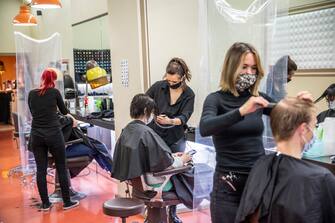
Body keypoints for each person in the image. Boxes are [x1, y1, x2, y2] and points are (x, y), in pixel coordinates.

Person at [199, 42, 276, 223]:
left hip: (257, 181)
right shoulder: (215, 99)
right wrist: (241, 111)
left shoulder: (258, 98)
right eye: (244, 67)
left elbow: (284, 112)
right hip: (228, 185)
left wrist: (299, 104)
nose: (250, 73)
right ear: (232, 67)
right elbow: (205, 127)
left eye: (254, 68)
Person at [235, 97, 335, 223]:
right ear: (303, 129)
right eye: (314, 126)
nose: (314, 132)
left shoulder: (260, 165)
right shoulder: (321, 178)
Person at [111, 94, 192, 223]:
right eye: (152, 112)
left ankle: (170, 216)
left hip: (138, 186)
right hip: (154, 186)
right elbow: (167, 166)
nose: (153, 116)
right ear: (145, 111)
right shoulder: (146, 133)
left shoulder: (127, 130)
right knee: (189, 173)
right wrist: (183, 160)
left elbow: (147, 157)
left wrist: (171, 156)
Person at [28, 68, 79, 211]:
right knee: (62, 168)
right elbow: (64, 112)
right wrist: (72, 118)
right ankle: (67, 202)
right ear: (54, 80)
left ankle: (45, 204)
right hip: (53, 135)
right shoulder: (55, 93)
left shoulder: (31, 94)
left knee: (41, 170)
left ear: (42, 78)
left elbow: (34, 112)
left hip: (37, 135)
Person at [146, 57, 195, 153]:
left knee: (174, 165)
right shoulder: (158, 87)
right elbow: (144, 101)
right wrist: (154, 112)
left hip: (175, 139)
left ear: (183, 78)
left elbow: (184, 117)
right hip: (155, 134)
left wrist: (170, 121)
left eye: (174, 82)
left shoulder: (189, 94)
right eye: (168, 81)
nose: (171, 84)